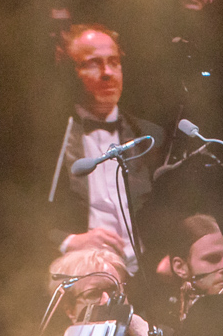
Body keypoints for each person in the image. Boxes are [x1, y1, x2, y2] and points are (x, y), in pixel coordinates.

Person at [48, 23, 165, 274]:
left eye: (114, 62)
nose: (107, 72)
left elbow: (168, 208)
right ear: (71, 72)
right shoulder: (50, 138)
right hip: (81, 274)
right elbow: (21, 217)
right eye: (93, 63)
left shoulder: (148, 136)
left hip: (145, 276)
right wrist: (69, 241)